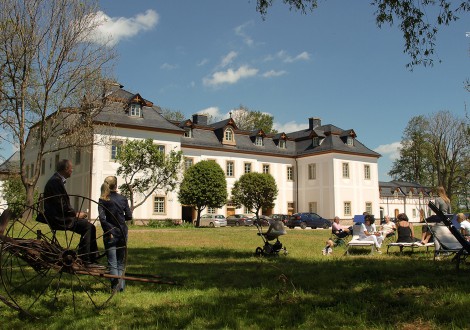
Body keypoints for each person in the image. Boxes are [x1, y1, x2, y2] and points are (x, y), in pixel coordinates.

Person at [43, 159, 98, 265]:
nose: (72, 170)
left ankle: (90, 257)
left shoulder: (56, 180)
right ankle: (86, 259)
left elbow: (61, 204)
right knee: (89, 227)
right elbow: (61, 205)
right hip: (59, 218)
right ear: (66, 169)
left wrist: (74, 213)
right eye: (71, 168)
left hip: (59, 216)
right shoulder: (55, 182)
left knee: (89, 226)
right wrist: (75, 214)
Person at [98, 176, 132, 291]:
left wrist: (109, 230)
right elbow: (129, 216)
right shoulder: (123, 198)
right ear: (116, 185)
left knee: (112, 262)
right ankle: (121, 288)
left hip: (110, 233)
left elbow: (102, 219)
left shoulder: (103, 199)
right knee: (120, 262)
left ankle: (115, 290)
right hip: (122, 232)